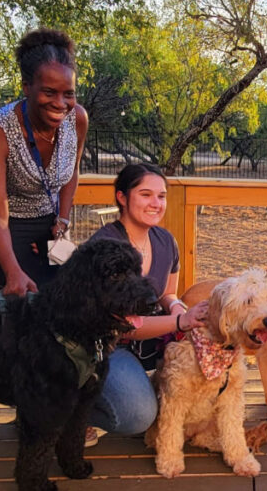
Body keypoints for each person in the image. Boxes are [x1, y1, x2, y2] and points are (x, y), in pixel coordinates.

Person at [86, 163, 208, 444]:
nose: (156, 203)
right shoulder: (105, 246)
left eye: (161, 196)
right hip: (105, 348)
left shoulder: (165, 240)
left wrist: (178, 307)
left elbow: (167, 293)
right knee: (138, 417)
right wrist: (181, 321)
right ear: (122, 197)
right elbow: (123, 326)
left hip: (149, 345)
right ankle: (68, 413)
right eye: (146, 194)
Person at [0, 28, 88, 295]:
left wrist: (62, 220)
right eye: (49, 92)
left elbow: (73, 171)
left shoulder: (78, 118)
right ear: (27, 87)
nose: (60, 103)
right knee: (17, 305)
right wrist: (13, 271)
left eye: (68, 94)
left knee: (60, 296)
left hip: (51, 222)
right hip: (6, 226)